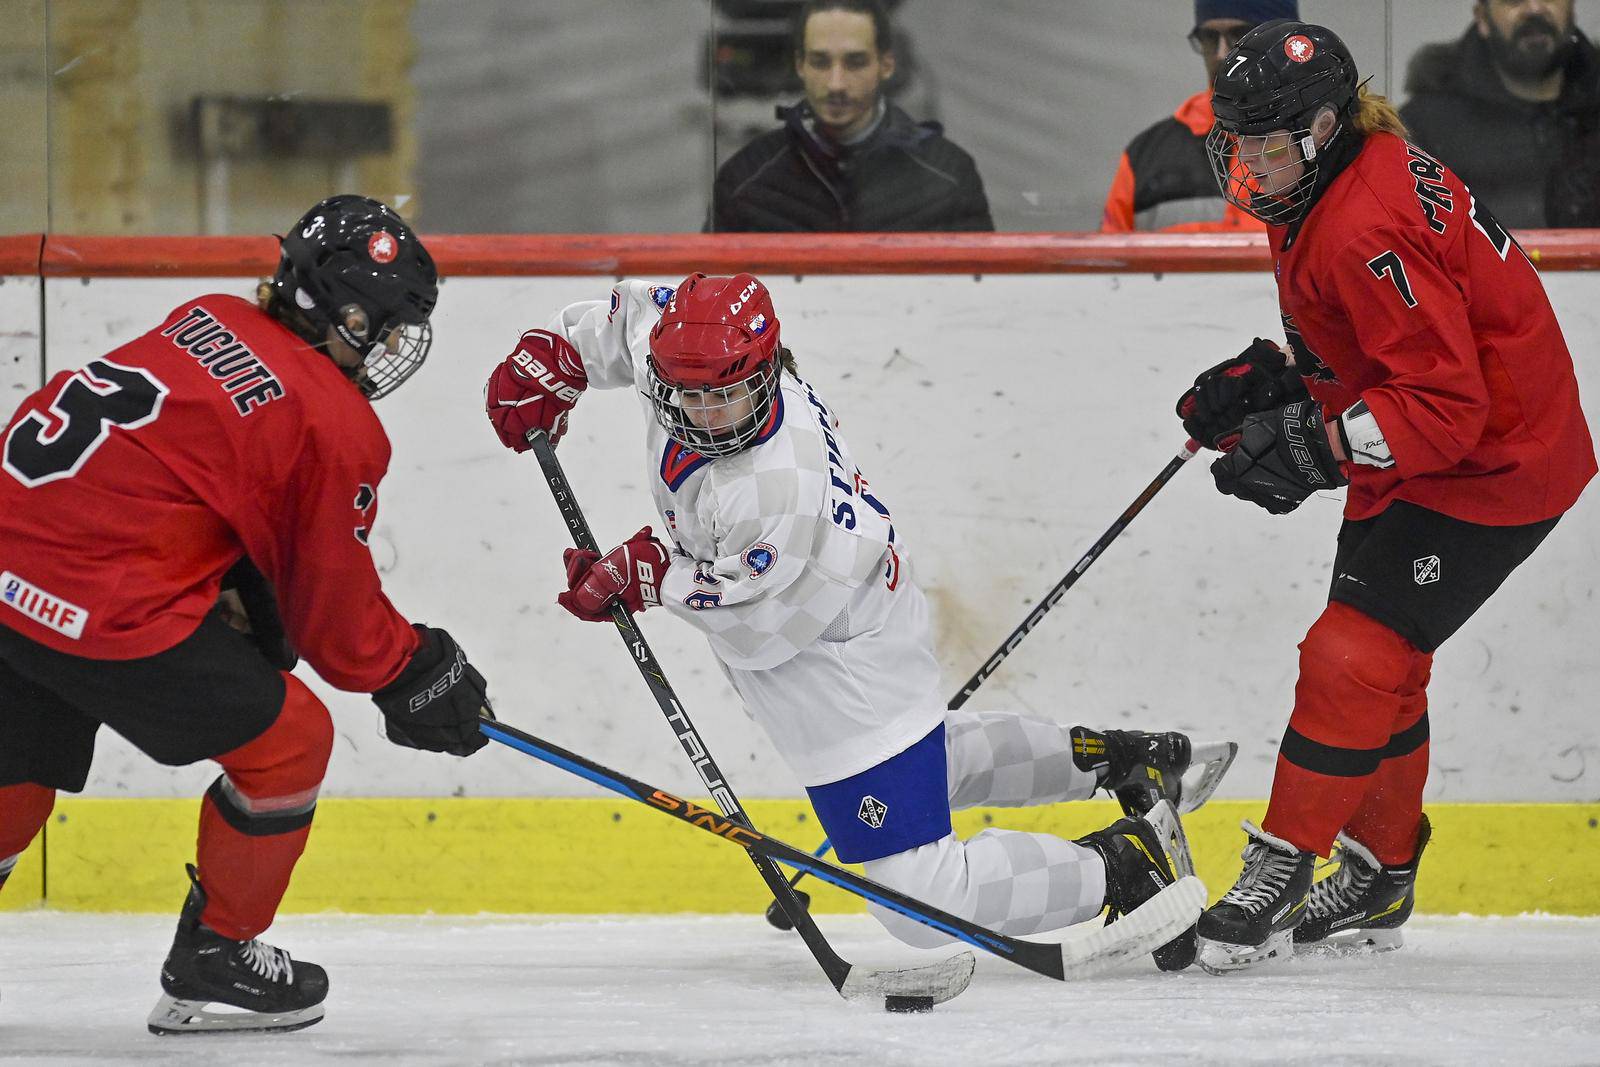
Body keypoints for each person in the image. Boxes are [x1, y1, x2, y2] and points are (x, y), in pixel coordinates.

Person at [483, 272, 1220, 971]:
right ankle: (1118, 759)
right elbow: (628, 317)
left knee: (916, 897)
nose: (704, 417)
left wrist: (653, 575)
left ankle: (1126, 867)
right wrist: (557, 355)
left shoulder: (776, 484)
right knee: (924, 759)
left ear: (765, 373)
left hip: (833, 646)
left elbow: (759, 624)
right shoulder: (689, 343)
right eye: (687, 397)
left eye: (726, 400)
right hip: (855, 595)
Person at [0, 194, 495, 1033]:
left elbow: (178, 477)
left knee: (14, 765)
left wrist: (238, 584)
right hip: (97, 598)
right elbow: (336, 615)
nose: (387, 348)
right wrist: (412, 668)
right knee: (290, 741)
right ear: (342, 313)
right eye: (383, 325)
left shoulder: (206, 317)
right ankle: (218, 956)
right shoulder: (333, 416)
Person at [1177, 20, 1595, 973]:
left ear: (1324, 128)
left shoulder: (1366, 220)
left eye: (1265, 145)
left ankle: (1284, 859)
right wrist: (1285, 381)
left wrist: (1318, 448)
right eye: (1234, 143)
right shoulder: (1327, 179)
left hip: (1496, 460)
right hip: (1438, 436)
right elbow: (1385, 342)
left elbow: (1447, 403)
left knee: (1351, 654)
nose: (1246, 164)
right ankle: (1383, 870)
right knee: (1382, 664)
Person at [709, 0, 994, 232]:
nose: (837, 83)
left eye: (855, 62)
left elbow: (975, 289)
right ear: (801, 68)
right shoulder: (744, 179)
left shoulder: (947, 175)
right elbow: (717, 289)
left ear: (886, 66)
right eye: (820, 62)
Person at [1102, 0, 1299, 233]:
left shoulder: (1326, 141)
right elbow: (1109, 265)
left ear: (1286, 43)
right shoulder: (1146, 156)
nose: (1221, 53)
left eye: (1240, 36)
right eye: (1209, 38)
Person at [1400, 0, 1600, 228]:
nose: (1534, 9)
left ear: (1572, 8)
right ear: (1483, 19)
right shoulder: (1425, 127)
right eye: (1513, 1)